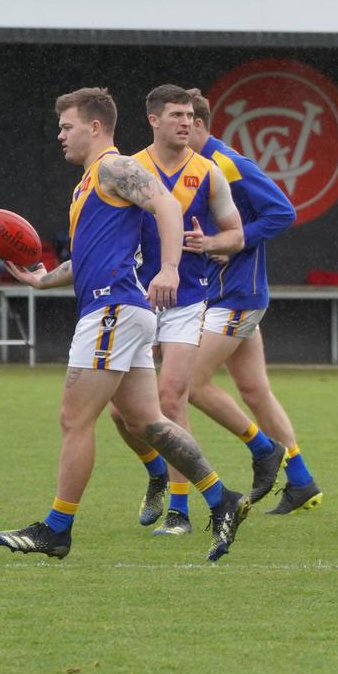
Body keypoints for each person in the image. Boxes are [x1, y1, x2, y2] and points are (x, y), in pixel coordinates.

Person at [0, 87, 249, 562]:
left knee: (75, 418)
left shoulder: (115, 166)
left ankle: (57, 528)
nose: (60, 135)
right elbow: (90, 255)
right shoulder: (89, 182)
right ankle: (221, 498)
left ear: (94, 127)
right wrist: (43, 279)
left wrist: (170, 269)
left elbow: (169, 208)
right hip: (120, 311)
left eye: (67, 126)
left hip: (112, 309)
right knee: (146, 421)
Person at [104, 84, 248, 535]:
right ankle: (156, 472)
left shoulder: (209, 172)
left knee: (171, 398)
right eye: (176, 115)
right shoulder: (128, 170)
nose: (186, 122)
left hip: (188, 300)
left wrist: (210, 243)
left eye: (190, 115)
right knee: (121, 413)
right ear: (153, 119)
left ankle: (180, 512)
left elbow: (237, 235)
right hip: (137, 299)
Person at [181, 88, 322, 530]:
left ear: (200, 125)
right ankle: (300, 480)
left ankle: (263, 449)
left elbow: (282, 212)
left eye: (186, 125)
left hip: (237, 294)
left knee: (189, 383)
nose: (179, 134)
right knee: (255, 391)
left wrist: (233, 241)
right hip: (227, 295)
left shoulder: (227, 162)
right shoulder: (196, 167)